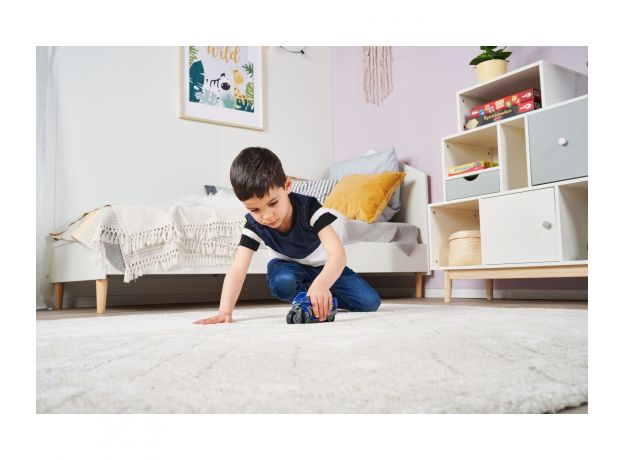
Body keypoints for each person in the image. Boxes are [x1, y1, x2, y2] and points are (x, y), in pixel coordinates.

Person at [194, 147, 381, 325]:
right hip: (287, 269)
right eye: (255, 210)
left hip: (322, 267)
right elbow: (237, 269)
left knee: (370, 302)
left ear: (287, 185)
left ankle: (318, 295)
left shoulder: (310, 208)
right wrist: (224, 311)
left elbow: (337, 254)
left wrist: (322, 284)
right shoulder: (253, 224)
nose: (267, 216)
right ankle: (308, 301)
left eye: (273, 203)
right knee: (283, 281)